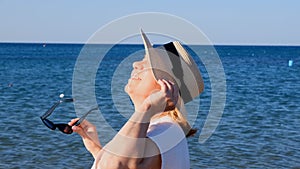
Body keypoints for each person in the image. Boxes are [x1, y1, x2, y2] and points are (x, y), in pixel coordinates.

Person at [68, 30, 204, 169]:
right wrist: (96, 149)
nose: (135, 64)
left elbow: (115, 165)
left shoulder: (165, 131)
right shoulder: (163, 129)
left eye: (147, 63)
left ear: (166, 86)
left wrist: (147, 109)